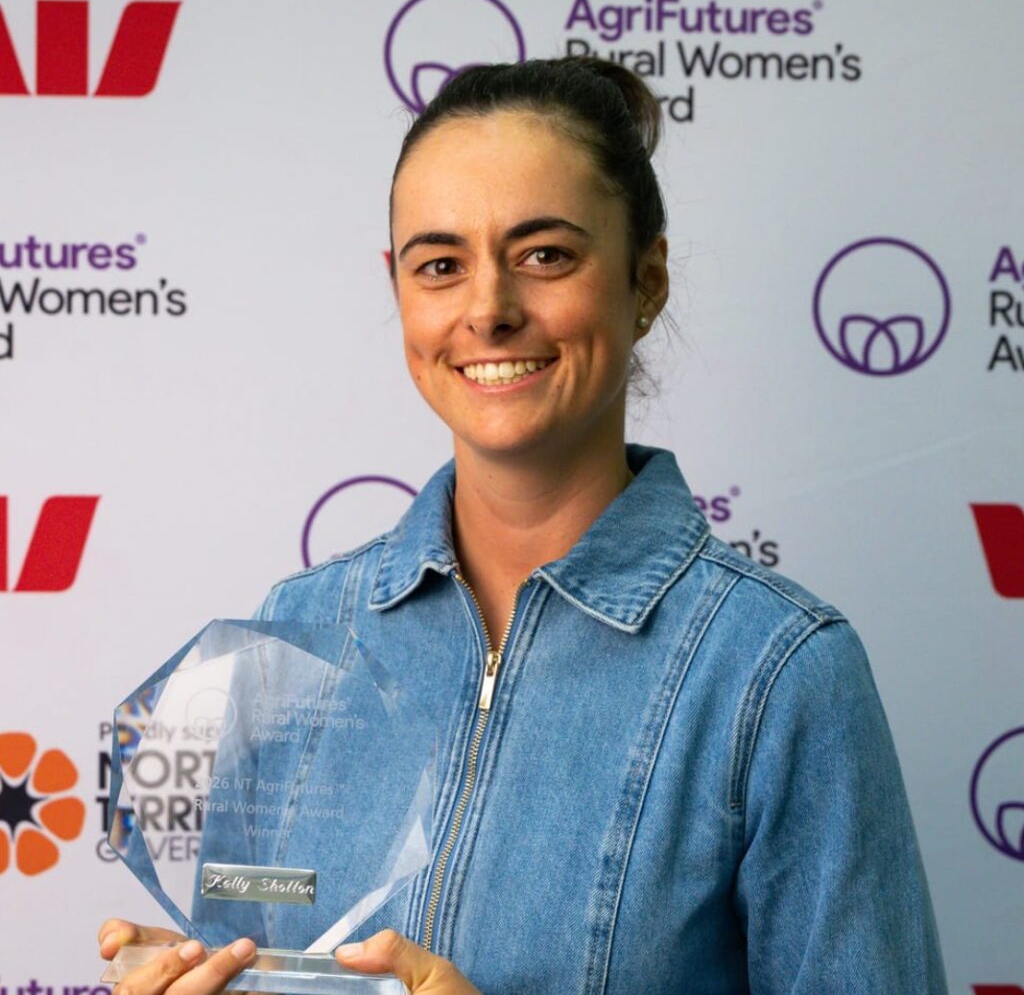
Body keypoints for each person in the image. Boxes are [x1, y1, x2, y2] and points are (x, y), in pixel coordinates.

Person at [99, 57, 948, 994]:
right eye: (441, 265)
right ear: (400, 291)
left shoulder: (778, 672)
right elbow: (255, 961)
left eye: (546, 255)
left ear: (647, 277)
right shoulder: (299, 627)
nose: (490, 310)